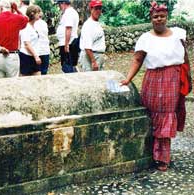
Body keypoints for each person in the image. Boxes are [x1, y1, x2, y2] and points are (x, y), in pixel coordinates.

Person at [121, 1, 191, 172]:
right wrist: (128, 79)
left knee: (166, 116)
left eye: (162, 16)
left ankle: (162, 157)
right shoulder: (145, 38)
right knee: (150, 114)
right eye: (155, 16)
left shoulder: (178, 35)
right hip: (152, 80)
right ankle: (147, 153)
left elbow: (185, 58)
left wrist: (188, 79)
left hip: (172, 80)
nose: (159, 19)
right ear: (151, 18)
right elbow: (137, 60)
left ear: (167, 17)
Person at [0, 0, 28, 79]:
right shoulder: (17, 18)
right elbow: (26, 19)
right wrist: (17, 10)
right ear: (11, 8)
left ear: (1, 8)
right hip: (12, 57)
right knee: (13, 85)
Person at [79, 0, 105, 71]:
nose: (98, 11)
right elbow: (87, 46)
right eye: (96, 9)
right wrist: (93, 61)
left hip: (97, 55)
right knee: (90, 79)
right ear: (91, 9)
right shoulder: (88, 25)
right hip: (91, 56)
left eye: (100, 8)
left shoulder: (97, 23)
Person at [55, 0, 79, 73]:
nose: (59, 7)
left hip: (69, 43)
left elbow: (68, 28)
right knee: (70, 65)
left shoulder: (69, 13)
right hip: (70, 42)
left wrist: (66, 44)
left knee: (67, 67)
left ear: (63, 3)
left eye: (59, 4)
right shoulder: (70, 12)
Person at [19, 5, 42, 76]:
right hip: (27, 56)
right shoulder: (26, 27)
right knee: (26, 79)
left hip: (33, 55)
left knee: (38, 78)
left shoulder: (34, 26)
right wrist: (36, 56)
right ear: (32, 14)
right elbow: (27, 44)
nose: (40, 14)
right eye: (38, 12)